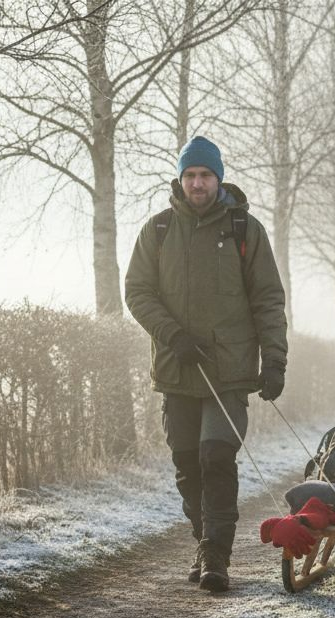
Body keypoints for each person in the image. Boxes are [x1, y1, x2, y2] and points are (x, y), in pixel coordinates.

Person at [124, 135, 288, 593]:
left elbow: (268, 300)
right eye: (191, 175)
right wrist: (174, 336)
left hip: (229, 373)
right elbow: (137, 292)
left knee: (216, 457)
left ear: (219, 179)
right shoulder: (158, 230)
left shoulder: (244, 229)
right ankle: (203, 541)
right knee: (187, 464)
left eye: (206, 175)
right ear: (181, 179)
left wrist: (274, 362)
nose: (198, 183)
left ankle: (216, 555)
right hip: (176, 370)